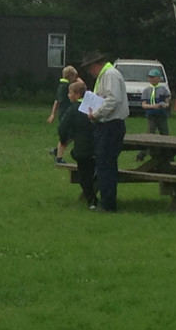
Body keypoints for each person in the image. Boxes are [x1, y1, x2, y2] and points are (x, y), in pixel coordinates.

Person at [81, 51, 129, 213]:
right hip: (105, 125)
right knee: (103, 163)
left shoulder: (110, 75)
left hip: (111, 125)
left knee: (105, 165)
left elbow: (113, 100)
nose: (90, 73)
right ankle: (107, 201)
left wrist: (95, 113)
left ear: (96, 65)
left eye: (90, 69)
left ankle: (108, 204)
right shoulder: (106, 75)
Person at [66, 80, 98, 209]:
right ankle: (93, 198)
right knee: (92, 172)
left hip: (83, 149)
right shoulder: (95, 107)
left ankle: (91, 200)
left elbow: (63, 128)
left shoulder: (74, 109)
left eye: (70, 93)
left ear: (77, 95)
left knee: (84, 175)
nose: (68, 95)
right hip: (97, 147)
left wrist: (65, 139)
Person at [135, 67, 171, 160]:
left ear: (158, 78)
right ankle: (142, 154)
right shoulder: (147, 91)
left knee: (165, 134)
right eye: (150, 77)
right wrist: (153, 106)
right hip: (151, 116)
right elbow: (143, 105)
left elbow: (168, 103)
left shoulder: (163, 89)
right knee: (150, 135)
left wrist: (164, 105)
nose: (152, 79)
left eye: (154, 77)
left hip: (162, 116)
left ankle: (168, 154)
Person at [47, 66, 79, 165]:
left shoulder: (61, 86)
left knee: (73, 135)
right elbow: (82, 85)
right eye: (75, 76)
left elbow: (56, 101)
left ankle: (57, 151)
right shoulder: (68, 87)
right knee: (66, 136)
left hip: (63, 113)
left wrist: (53, 114)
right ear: (71, 77)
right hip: (67, 114)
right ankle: (59, 157)